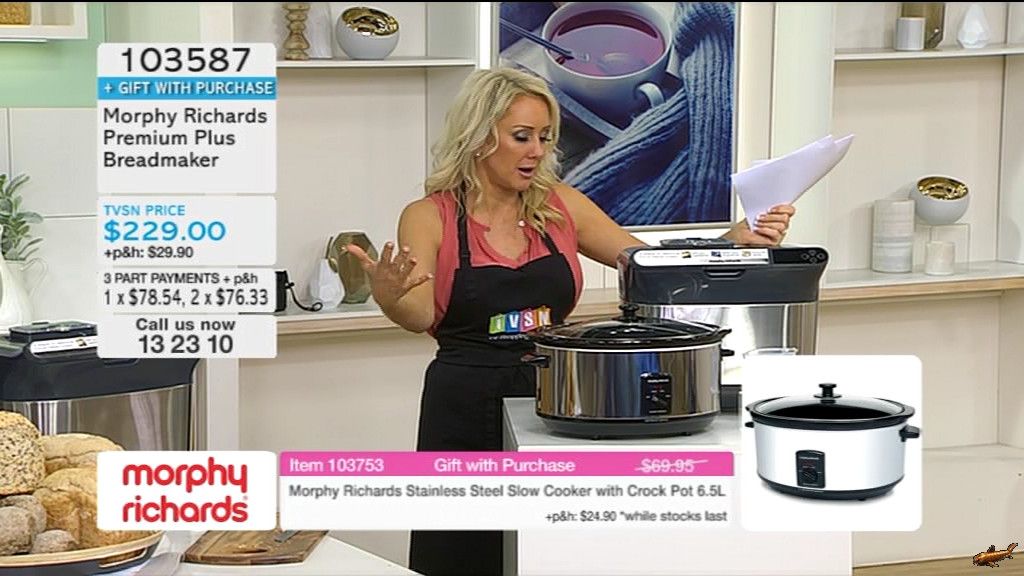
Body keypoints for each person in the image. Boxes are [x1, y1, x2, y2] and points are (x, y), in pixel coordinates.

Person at [347, 67, 794, 576]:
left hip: (555, 398)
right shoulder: (430, 215)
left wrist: (733, 241)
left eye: (545, 137)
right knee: (463, 548)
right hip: (464, 403)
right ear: (478, 136)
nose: (537, 151)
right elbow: (419, 314)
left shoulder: (562, 207)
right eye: (522, 137)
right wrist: (390, 296)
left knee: (548, 546)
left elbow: (652, 270)